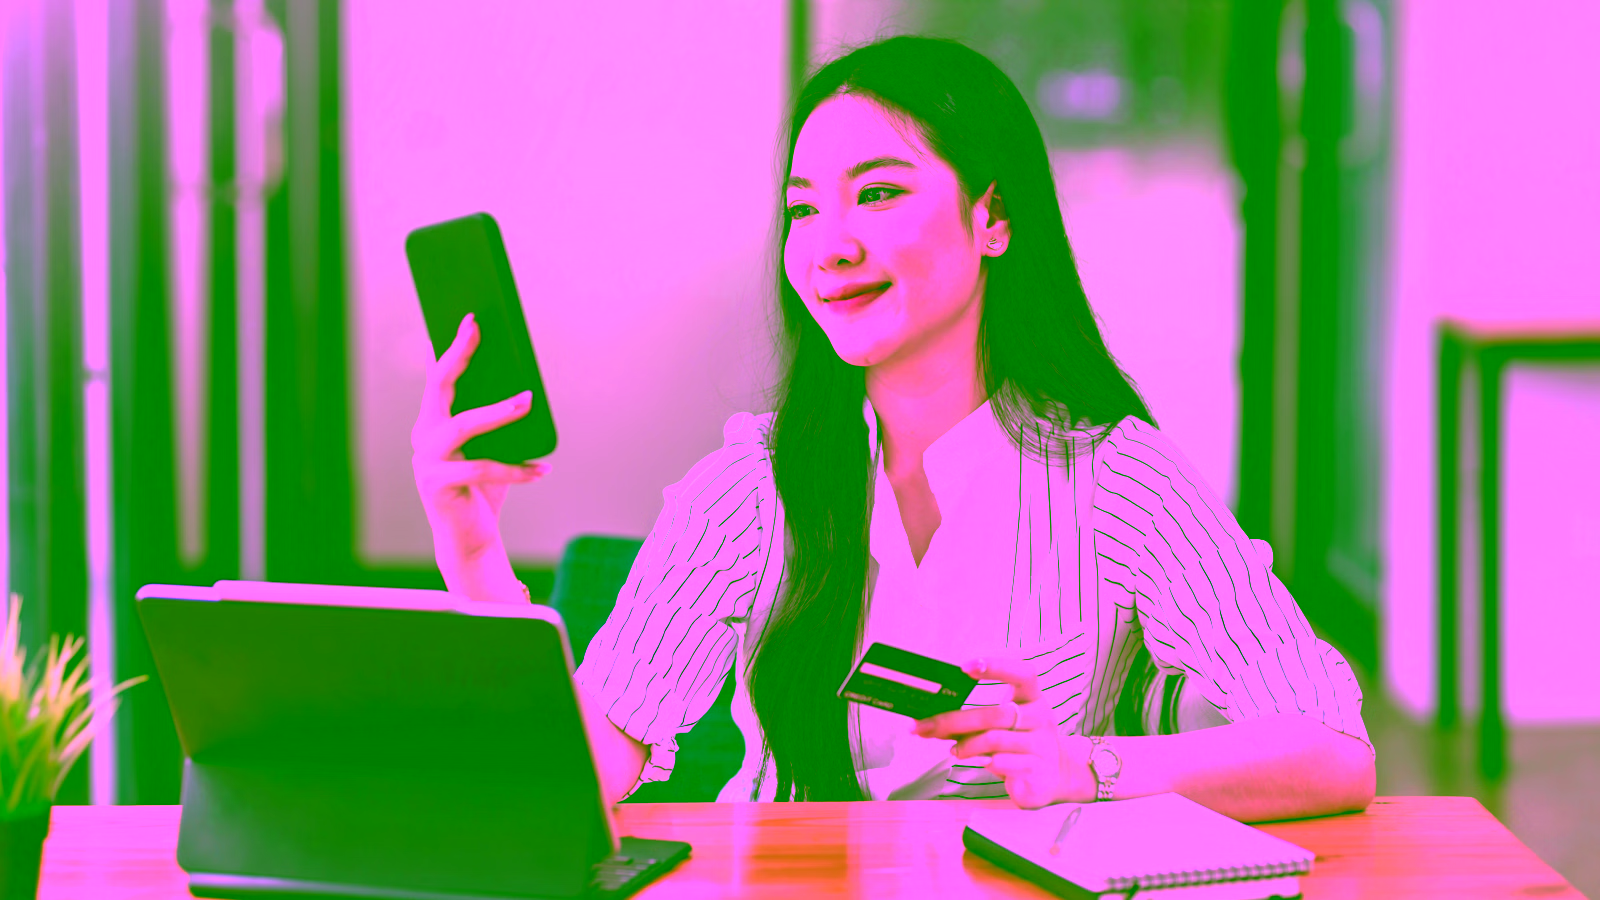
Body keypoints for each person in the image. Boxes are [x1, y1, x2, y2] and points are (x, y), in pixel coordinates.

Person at [410, 36, 1374, 821]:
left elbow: (1332, 752)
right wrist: (469, 543)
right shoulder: (751, 486)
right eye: (803, 208)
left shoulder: (1121, 480)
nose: (830, 244)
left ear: (991, 216)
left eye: (877, 193)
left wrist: (1085, 765)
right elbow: (577, 775)